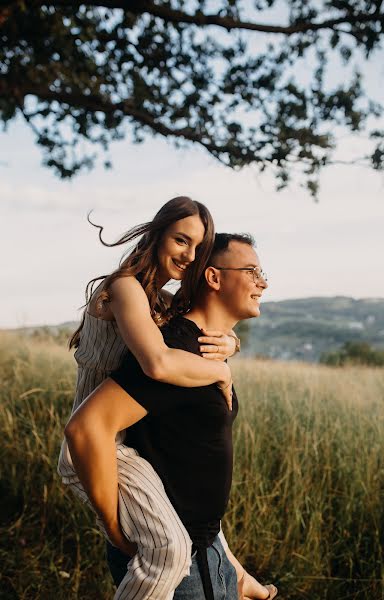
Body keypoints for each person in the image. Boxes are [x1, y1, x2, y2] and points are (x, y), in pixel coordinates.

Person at [65, 233, 278, 600]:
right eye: (252, 271)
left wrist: (228, 566)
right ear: (213, 278)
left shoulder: (205, 347)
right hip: (179, 563)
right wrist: (114, 529)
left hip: (209, 550)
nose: (264, 281)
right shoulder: (175, 348)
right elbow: (87, 428)